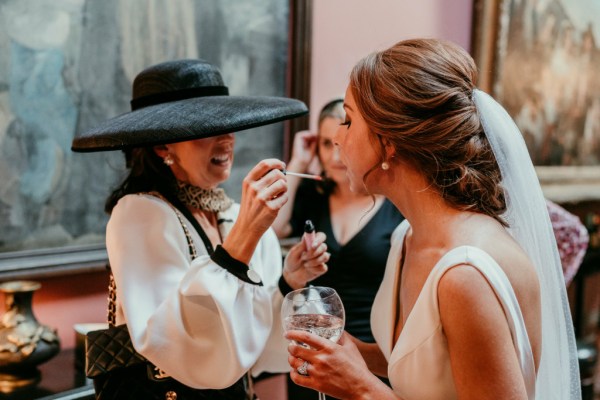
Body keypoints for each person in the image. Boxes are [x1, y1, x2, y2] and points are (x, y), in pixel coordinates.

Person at [285, 39, 580, 399]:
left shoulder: (465, 277)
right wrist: (351, 351)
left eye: (348, 120)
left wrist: (361, 388)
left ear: (389, 142)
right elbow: (430, 362)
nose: (336, 139)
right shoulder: (408, 237)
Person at [71, 59, 330, 399]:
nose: (226, 140)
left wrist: (288, 281)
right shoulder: (140, 214)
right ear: (164, 146)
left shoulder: (233, 215)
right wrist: (246, 234)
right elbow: (173, 342)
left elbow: (247, 345)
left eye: (228, 127)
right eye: (206, 129)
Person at [272, 99, 404, 399]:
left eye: (340, 143)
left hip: (375, 356)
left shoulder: (395, 204)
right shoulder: (312, 195)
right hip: (313, 350)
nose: (334, 156)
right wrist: (297, 163)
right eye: (324, 144)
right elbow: (274, 231)